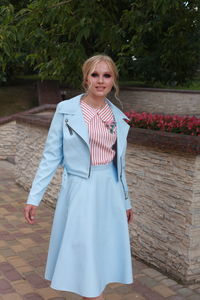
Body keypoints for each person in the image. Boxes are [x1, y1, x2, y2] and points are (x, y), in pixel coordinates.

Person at [24, 54, 134, 300]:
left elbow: (120, 164)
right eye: (95, 74)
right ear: (86, 78)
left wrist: (126, 201)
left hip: (110, 192)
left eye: (106, 75)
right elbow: (51, 156)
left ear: (113, 80)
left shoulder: (117, 116)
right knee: (85, 256)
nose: (100, 81)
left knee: (102, 257)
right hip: (81, 190)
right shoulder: (67, 111)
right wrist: (34, 198)